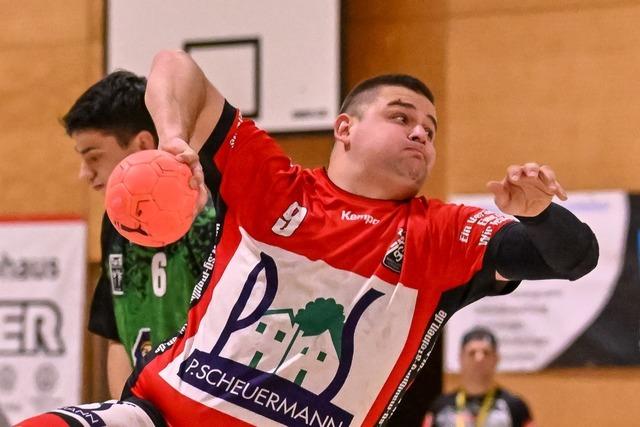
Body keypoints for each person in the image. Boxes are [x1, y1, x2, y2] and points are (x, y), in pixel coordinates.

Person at [19, 50, 598, 426]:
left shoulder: (442, 234)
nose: (421, 133)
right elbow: (175, 66)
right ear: (344, 127)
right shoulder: (275, 183)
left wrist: (540, 215)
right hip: (158, 414)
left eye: (430, 128)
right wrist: (174, 137)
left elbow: (576, 258)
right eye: (401, 117)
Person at [61, 70, 216, 398]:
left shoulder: (210, 211)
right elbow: (117, 336)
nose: (84, 174)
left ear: (143, 144)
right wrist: (128, 412)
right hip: (147, 408)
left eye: (94, 157)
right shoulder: (114, 222)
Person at [423, 327, 534, 427]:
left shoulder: (515, 408)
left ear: (496, 358)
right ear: (460, 358)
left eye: (486, 353)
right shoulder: (440, 408)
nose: (479, 358)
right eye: (472, 353)